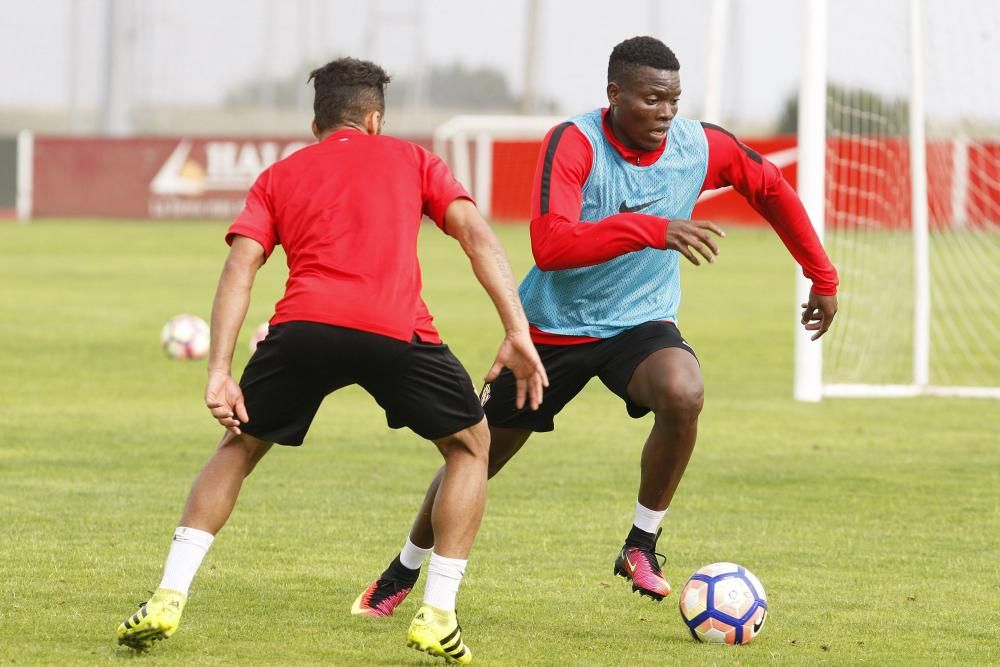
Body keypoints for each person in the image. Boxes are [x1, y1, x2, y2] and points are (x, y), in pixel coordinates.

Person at [352, 36, 838, 617]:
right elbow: (551, 244)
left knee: (684, 391)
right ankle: (402, 569)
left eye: (674, 99)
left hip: (640, 325)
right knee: (477, 454)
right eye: (651, 98)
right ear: (614, 94)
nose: (665, 113)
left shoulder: (698, 145)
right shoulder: (574, 142)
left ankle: (641, 544)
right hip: (551, 331)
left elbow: (771, 188)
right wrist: (652, 228)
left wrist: (823, 276)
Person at [115, 57, 547, 665]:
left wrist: (219, 371)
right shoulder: (414, 159)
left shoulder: (279, 174)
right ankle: (438, 613)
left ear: (316, 121)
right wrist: (516, 329)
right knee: (470, 447)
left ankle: (168, 593)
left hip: (303, 328)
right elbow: (477, 235)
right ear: (374, 118)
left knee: (238, 447)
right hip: (397, 330)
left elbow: (240, 268)